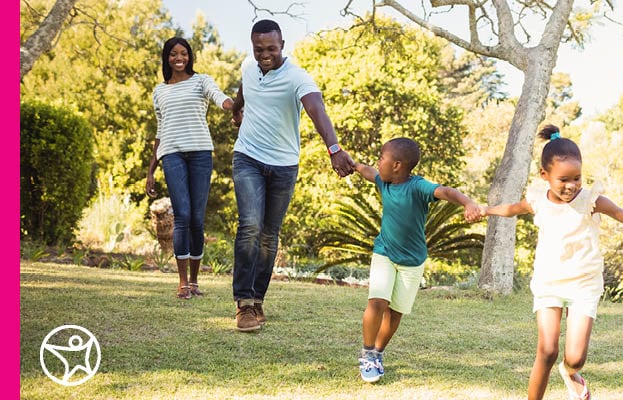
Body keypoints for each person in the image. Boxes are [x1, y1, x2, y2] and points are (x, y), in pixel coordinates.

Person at [480, 125, 623, 400]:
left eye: (577, 178)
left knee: (575, 357)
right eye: (563, 179)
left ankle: (570, 373)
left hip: (584, 284)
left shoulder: (592, 200)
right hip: (549, 282)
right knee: (547, 350)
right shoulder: (537, 200)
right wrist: (485, 210)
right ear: (545, 175)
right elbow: (510, 209)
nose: (571, 185)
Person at [230, 19, 355, 332]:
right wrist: (237, 109)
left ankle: (258, 298)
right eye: (259, 49)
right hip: (247, 157)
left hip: (284, 164)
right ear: (253, 47)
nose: (265, 54)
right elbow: (244, 87)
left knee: (269, 235)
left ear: (282, 45)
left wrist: (334, 149)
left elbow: (316, 109)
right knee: (250, 226)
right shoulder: (248, 65)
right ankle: (243, 304)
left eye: (271, 48)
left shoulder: (297, 76)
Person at [353, 137, 482, 382]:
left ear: (397, 165)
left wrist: (468, 202)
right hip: (384, 253)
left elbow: (445, 191)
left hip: (412, 261)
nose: (378, 162)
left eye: (382, 158)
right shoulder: (384, 182)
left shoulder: (418, 187)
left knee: (396, 312)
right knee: (377, 301)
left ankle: (378, 352)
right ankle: (367, 353)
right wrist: (353, 165)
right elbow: (367, 172)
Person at [146, 37, 233, 300]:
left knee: (197, 218)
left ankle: (195, 281)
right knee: (182, 215)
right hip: (171, 155)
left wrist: (234, 106)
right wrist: (151, 170)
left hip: (200, 154)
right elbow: (160, 131)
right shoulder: (159, 91)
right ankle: (182, 282)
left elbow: (219, 97)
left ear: (190, 56)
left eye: (183, 53)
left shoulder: (201, 80)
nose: (179, 58)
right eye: (173, 54)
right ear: (167, 58)